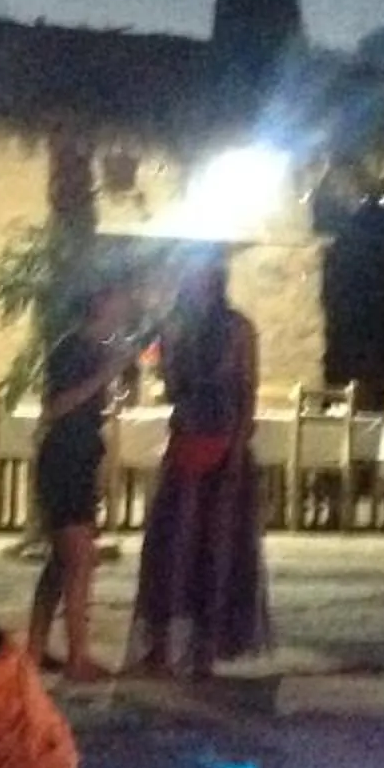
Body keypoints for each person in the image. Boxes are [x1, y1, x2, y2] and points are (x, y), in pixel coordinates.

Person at [128, 252, 271, 677]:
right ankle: (163, 645)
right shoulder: (175, 327)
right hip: (188, 440)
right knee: (174, 546)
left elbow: (248, 392)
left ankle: (206, 648)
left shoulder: (238, 328)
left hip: (224, 444)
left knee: (218, 549)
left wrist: (237, 449)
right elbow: (171, 388)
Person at [25, 278, 135, 681]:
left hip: (78, 458)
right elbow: (56, 405)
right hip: (65, 461)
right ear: (102, 300)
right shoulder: (74, 350)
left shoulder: (92, 348)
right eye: (121, 296)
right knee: (80, 562)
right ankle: (77, 658)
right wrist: (104, 375)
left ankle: (35, 650)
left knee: (62, 562)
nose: (127, 304)